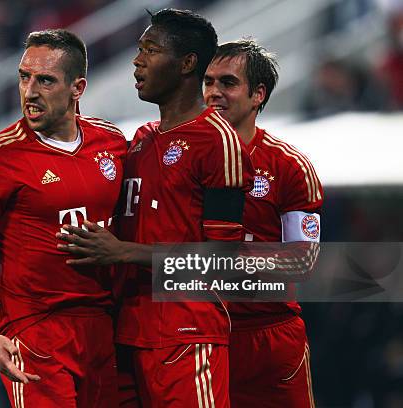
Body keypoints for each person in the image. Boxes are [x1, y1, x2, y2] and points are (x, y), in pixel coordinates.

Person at [57, 9, 254, 407]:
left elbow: (226, 260)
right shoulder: (141, 140)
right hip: (127, 335)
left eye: (150, 49)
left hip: (188, 337)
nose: (137, 60)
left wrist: (123, 251)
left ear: (187, 64)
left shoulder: (218, 141)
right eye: (138, 49)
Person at [0, 29, 127, 407]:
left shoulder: (112, 142)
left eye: (45, 80)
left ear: (77, 87)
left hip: (106, 329)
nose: (29, 91)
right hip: (36, 332)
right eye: (23, 76)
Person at [203, 39, 323, 408]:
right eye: (208, 82)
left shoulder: (289, 167)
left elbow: (302, 262)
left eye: (227, 83)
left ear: (258, 94)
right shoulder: (179, 157)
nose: (213, 93)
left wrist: (225, 259)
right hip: (200, 334)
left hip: (269, 335)